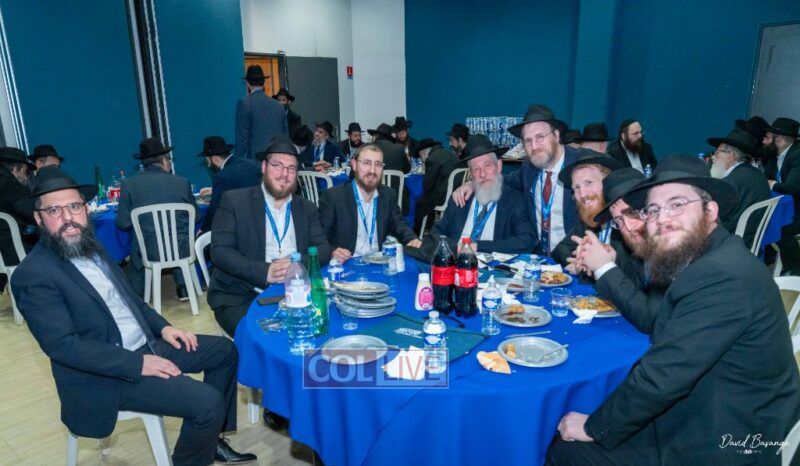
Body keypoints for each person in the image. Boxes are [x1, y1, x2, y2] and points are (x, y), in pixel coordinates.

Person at [547, 155, 800, 465]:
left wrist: (594, 427)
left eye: (677, 204)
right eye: (653, 209)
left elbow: (660, 378)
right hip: (705, 408)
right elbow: (663, 325)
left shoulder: (721, 274)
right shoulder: (704, 256)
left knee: (565, 448)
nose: (662, 218)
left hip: (724, 439)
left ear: (710, 211)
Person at [11, 167, 256, 466]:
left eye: (74, 206)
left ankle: (209, 438)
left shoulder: (91, 247)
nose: (68, 217)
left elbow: (132, 302)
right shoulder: (34, 274)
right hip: (104, 374)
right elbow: (64, 346)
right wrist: (138, 363)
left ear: (85, 209)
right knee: (207, 402)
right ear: (38, 218)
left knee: (224, 351)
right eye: (54, 210)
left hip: (145, 345)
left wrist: (164, 328)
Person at [208, 134, 332, 338]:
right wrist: (264, 271)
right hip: (241, 295)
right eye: (277, 165)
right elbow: (220, 251)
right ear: (264, 167)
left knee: (322, 328)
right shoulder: (235, 202)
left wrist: (296, 265)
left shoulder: (306, 208)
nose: (284, 174)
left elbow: (324, 249)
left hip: (295, 293)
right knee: (266, 338)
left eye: (291, 168)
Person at [454, 104, 580, 255]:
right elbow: (502, 179)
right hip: (539, 261)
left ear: (557, 135)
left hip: (574, 257)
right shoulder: (529, 169)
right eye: (528, 140)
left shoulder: (582, 165)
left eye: (540, 137)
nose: (534, 146)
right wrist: (473, 183)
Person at [116, 138, 197, 301]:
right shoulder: (182, 182)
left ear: (143, 163)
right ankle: (184, 287)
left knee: (139, 240)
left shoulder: (129, 185)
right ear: (164, 160)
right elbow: (196, 215)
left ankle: (137, 294)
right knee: (176, 236)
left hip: (150, 251)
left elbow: (123, 223)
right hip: (182, 249)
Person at [428, 134, 536, 254]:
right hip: (456, 260)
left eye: (487, 165)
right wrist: (455, 248)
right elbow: (435, 235)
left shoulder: (515, 201)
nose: (482, 174)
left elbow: (527, 240)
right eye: (476, 169)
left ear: (499, 166)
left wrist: (477, 247)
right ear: (470, 174)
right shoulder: (460, 199)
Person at [319, 144, 421, 263]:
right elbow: (320, 238)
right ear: (354, 165)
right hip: (348, 263)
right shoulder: (333, 197)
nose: (372, 170)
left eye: (378, 164)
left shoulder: (388, 194)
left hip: (379, 261)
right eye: (366, 163)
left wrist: (411, 239)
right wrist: (332, 251)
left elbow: (398, 224)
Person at [550, 150, 622, 269]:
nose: (583, 194)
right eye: (576, 187)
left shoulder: (627, 221)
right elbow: (560, 250)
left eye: (588, 183)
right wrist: (581, 261)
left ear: (608, 183)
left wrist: (600, 265)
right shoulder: (588, 217)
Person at [707, 128, 770, 247]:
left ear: (730, 155)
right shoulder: (756, 173)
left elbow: (715, 216)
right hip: (750, 237)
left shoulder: (730, 182)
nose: (713, 157)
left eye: (717, 153)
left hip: (730, 241)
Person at [196, 136, 261, 234]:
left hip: (239, 227)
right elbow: (241, 184)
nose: (208, 165)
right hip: (259, 221)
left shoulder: (222, 176)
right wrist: (215, 190)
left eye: (208, 161)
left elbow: (214, 209)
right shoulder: (252, 164)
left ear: (214, 158)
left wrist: (203, 230)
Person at [764, 117, 800, 275]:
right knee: (761, 220)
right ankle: (767, 261)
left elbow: (790, 187)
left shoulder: (797, 155)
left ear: (780, 139)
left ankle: (794, 270)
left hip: (797, 210)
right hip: (784, 206)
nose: (764, 141)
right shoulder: (774, 156)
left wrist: (772, 184)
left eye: (768, 137)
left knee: (781, 226)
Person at [234, 65, 287, 160]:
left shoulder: (244, 104)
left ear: (247, 83)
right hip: (278, 160)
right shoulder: (278, 106)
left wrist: (237, 162)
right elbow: (285, 136)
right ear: (264, 82)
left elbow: (242, 139)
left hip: (257, 161)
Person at [0, 147, 36, 276]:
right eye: (25, 172)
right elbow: (33, 213)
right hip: (15, 252)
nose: (26, 177)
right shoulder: (10, 186)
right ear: (16, 169)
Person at [414, 138, 458, 232]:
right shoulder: (450, 154)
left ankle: (419, 232)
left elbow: (427, 185)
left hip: (444, 196)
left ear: (423, 153)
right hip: (456, 192)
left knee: (420, 202)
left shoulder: (431, 159)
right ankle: (429, 227)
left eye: (421, 158)